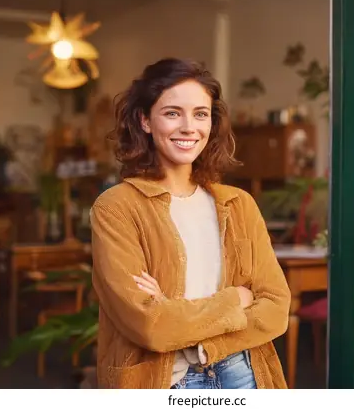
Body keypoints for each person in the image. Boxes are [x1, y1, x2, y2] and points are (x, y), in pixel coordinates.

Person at [90, 58, 291, 389]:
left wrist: (186, 325)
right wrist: (237, 299)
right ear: (144, 120)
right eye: (172, 113)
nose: (189, 127)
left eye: (200, 113)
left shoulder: (239, 204)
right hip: (167, 380)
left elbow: (276, 308)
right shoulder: (116, 208)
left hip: (243, 371)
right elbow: (150, 326)